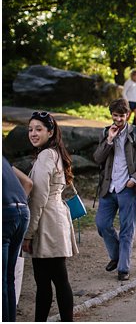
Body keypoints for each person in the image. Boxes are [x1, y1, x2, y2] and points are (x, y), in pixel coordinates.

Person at [23, 111, 78, 322]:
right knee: (54, 281)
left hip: (47, 223)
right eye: (30, 129)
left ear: (50, 132)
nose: (33, 134)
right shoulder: (53, 153)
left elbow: (38, 198)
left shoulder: (47, 155)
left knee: (50, 282)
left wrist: (28, 234)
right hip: (55, 219)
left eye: (38, 129)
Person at [94, 98, 136, 281]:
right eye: (115, 115)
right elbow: (97, 158)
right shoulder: (105, 132)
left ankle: (123, 268)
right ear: (112, 115)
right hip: (108, 188)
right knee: (102, 224)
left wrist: (134, 180)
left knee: (127, 228)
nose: (118, 119)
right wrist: (109, 140)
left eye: (122, 116)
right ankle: (117, 256)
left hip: (127, 187)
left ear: (128, 115)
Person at [2, 157, 31, 322]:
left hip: (5, 214)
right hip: (22, 212)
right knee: (8, 277)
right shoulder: (4, 160)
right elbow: (28, 183)